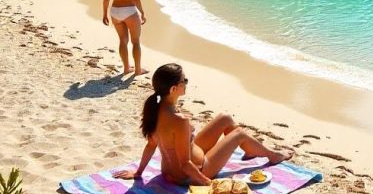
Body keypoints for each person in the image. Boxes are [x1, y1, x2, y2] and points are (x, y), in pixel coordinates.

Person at [114, 64, 292, 185]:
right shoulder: (180, 121)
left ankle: (249, 150)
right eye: (184, 81)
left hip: (170, 170)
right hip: (192, 173)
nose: (186, 83)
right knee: (239, 133)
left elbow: (151, 144)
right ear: (173, 89)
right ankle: (273, 155)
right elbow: (185, 164)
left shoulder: (155, 108)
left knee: (225, 118)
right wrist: (208, 183)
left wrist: (138, 173)